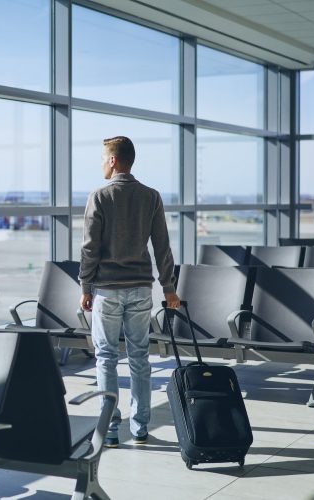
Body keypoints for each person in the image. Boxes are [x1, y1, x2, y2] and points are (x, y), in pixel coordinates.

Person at [79, 135, 180, 448]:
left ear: (112, 160)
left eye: (102, 158)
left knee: (106, 358)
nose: (100, 164)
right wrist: (169, 288)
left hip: (107, 290)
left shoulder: (99, 196)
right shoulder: (151, 196)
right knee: (139, 358)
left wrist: (85, 285)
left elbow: (89, 248)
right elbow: (162, 247)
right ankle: (140, 427)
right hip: (139, 289)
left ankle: (109, 428)